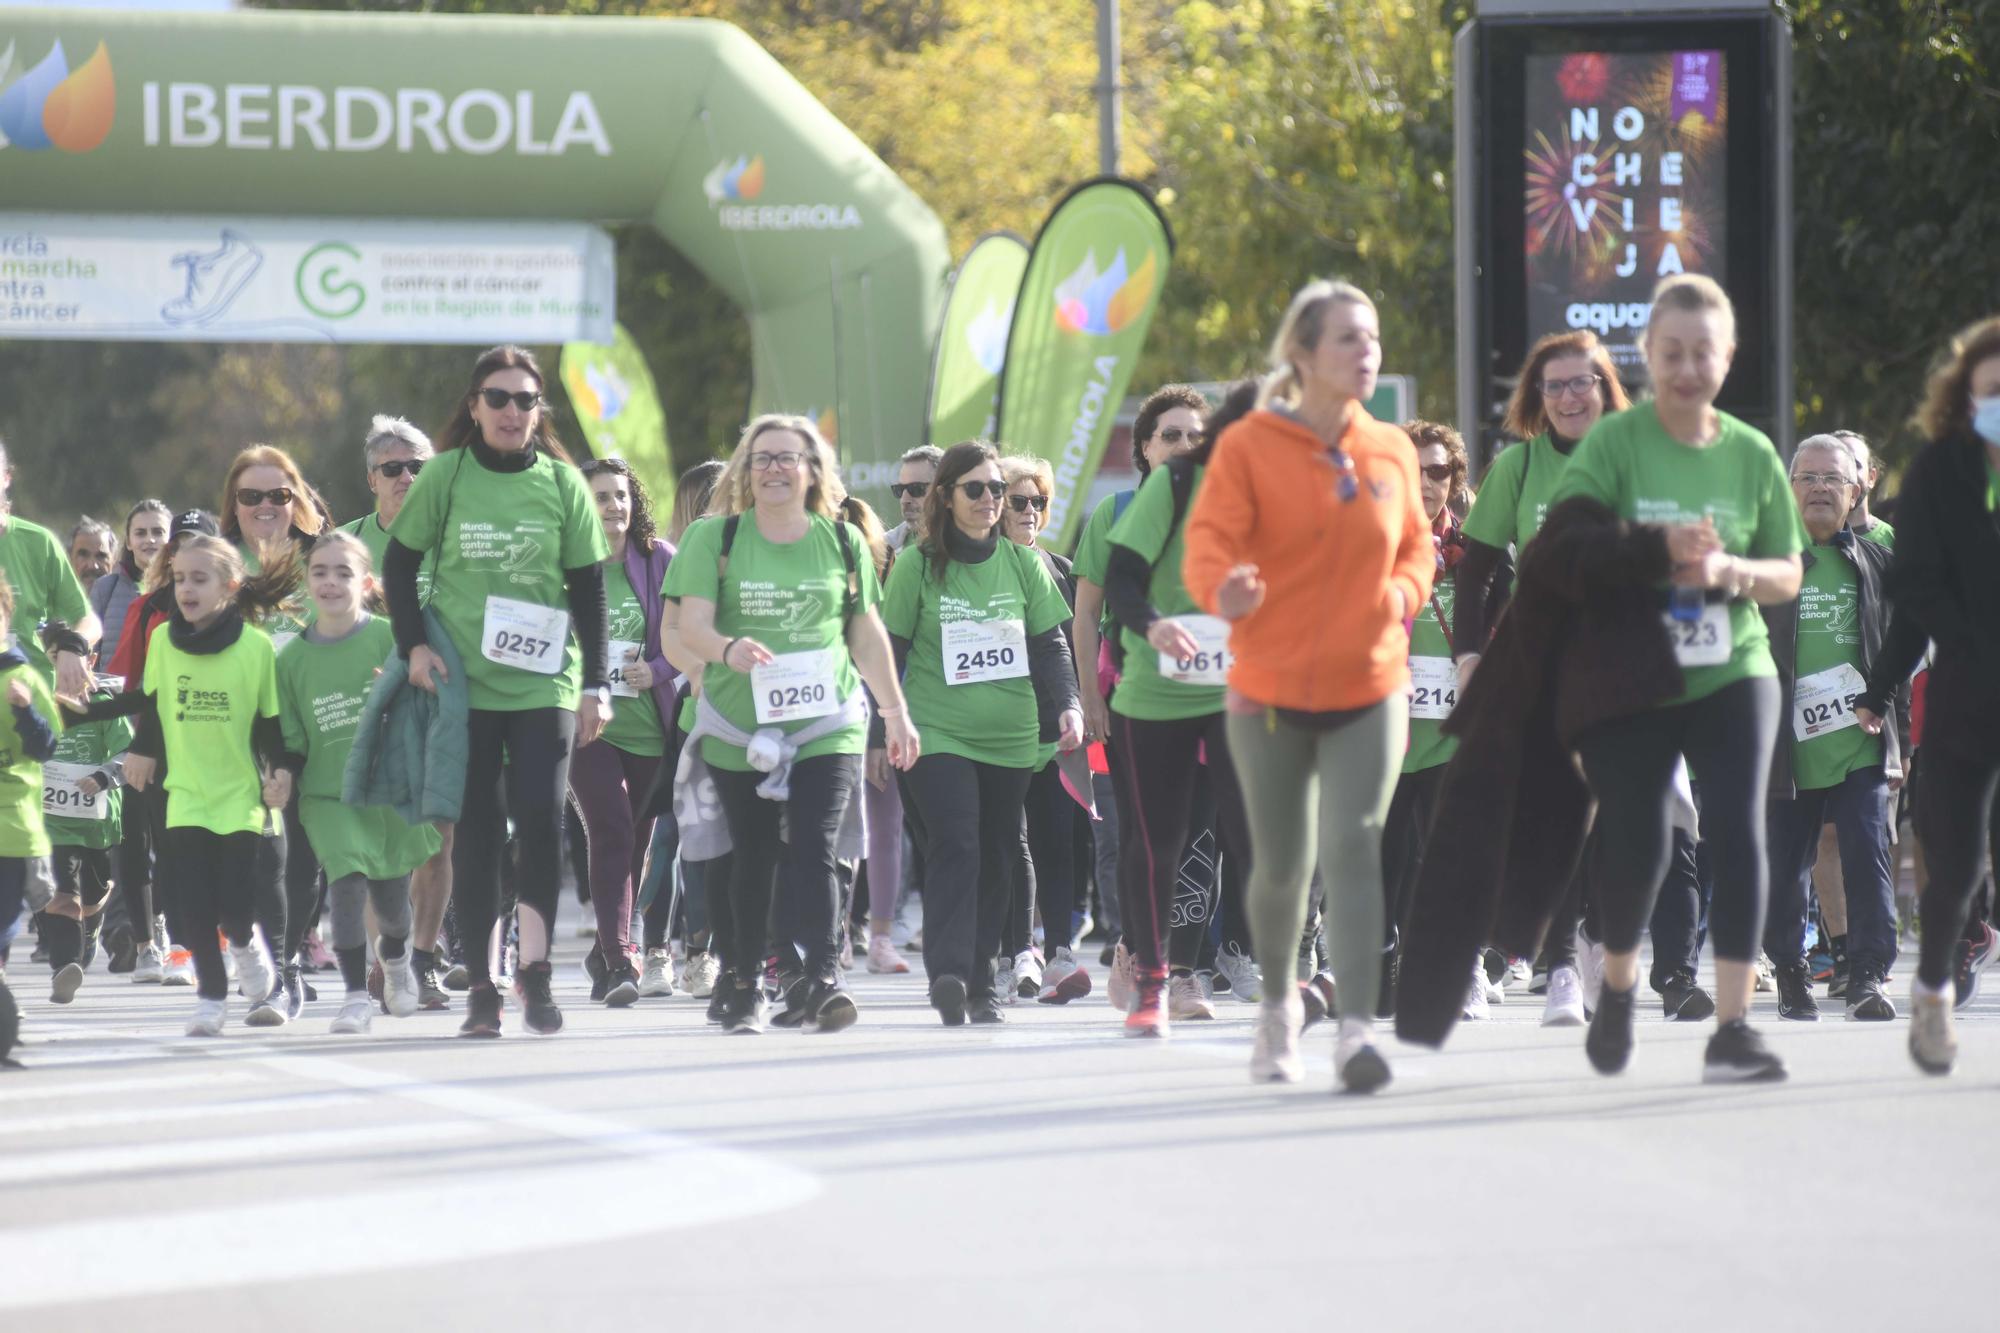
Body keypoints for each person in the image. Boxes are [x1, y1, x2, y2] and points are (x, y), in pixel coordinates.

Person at [1550, 274, 1804, 1082]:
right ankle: (1620, 987)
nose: (1688, 368)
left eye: (1704, 352)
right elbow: (1568, 544)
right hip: (1638, 667)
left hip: (1734, 662)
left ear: (1727, 357)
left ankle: (1732, 1027)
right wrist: (1651, 550)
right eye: (1672, 353)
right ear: (1648, 356)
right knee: (1638, 835)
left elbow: (1790, 573)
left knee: (1737, 826)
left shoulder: (1752, 452)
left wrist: (1731, 568)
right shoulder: (1616, 445)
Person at [1183, 279, 1432, 1091]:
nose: (1368, 354)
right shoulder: (1250, 445)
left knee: (1355, 842)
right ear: (1302, 353)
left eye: (1374, 339)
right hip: (1270, 687)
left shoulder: (1390, 447)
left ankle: (1356, 1027)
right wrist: (1227, 593)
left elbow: (1418, 548)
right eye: (1349, 341)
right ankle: (1276, 1008)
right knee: (1284, 863)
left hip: (1371, 680)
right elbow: (1207, 547)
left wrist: (1402, 595)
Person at [384, 344, 612, 1039]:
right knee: (476, 836)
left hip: (545, 685)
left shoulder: (562, 482)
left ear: (539, 411)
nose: (512, 411)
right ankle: (482, 983)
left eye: (525, 400)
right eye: (498, 399)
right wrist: (414, 647)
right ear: (474, 407)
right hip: (465, 688)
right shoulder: (447, 475)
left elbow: (589, 590)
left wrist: (598, 684)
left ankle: (535, 974)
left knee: (543, 827)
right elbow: (399, 564)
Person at [667, 415, 917, 1034]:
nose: (775, 468)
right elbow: (688, 625)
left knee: (816, 846)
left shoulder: (842, 542)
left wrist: (895, 712)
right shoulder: (713, 539)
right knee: (750, 855)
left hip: (824, 722)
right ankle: (746, 979)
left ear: (813, 471)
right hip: (737, 726)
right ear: (745, 473)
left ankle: (824, 978)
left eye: (788, 458)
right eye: (762, 458)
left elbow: (864, 632)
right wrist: (726, 651)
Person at [1455, 331, 1631, 1025]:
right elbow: (1473, 571)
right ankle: (1560, 967)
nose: (1566, 397)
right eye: (1552, 386)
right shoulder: (1518, 466)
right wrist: (1470, 657)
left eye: (1579, 383)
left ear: (1604, 389)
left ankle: (1590, 938)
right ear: (1537, 397)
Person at [884, 440, 1081, 1026]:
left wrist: (1069, 704)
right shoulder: (917, 564)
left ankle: (981, 983)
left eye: (998, 489)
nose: (992, 499)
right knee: (957, 843)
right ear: (946, 496)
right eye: (977, 488)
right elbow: (889, 650)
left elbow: (1050, 644)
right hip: (936, 732)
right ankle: (948, 972)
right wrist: (882, 730)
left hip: (1012, 737)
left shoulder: (1024, 565)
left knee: (998, 852)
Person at [1854, 315, 2000, 1074]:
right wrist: (1880, 689)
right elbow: (1913, 594)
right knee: (1957, 863)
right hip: (1969, 695)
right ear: (1966, 395)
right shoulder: (1941, 472)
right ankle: (1936, 989)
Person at [1100, 383, 1266, 1033]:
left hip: (1241, 690)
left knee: (1257, 835)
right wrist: (1152, 625)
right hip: (1158, 691)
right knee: (1157, 840)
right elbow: (1119, 578)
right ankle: (1152, 979)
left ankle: (1274, 968)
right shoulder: (1174, 483)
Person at [118, 534, 291, 1036]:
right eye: (178, 579)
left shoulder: (256, 648)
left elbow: (269, 724)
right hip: (186, 793)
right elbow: (154, 706)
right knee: (191, 902)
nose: (186, 589)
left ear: (230, 586)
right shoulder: (162, 642)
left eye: (199, 579)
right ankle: (212, 998)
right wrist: (142, 750)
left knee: (235, 905)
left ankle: (245, 945)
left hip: (238, 795)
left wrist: (279, 771)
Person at [267, 532, 439, 1034]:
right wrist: (280, 775)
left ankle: (397, 959)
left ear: (365, 583)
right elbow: (291, 739)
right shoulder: (290, 660)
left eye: (343, 572)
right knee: (344, 883)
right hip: (328, 795)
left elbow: (428, 703)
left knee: (390, 905)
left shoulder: (392, 638)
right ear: (306, 584)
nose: (330, 581)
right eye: (320, 571)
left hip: (387, 792)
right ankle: (353, 998)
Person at [1761, 435, 1902, 1023]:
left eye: (1833, 479)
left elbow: (1900, 648)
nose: (1820, 487)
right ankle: (1791, 971)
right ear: (1789, 488)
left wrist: (1900, 738)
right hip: (1782, 746)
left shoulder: (1877, 557)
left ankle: (1867, 974)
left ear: (1856, 491)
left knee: (1868, 852)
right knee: (1784, 867)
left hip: (1860, 742)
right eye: (1808, 478)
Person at [1378, 420, 1503, 1023]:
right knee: (1384, 862)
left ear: (1454, 480)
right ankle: (1379, 966)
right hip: (1384, 736)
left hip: (1454, 734)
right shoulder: (1369, 544)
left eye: (1437, 471)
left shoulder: (1478, 554)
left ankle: (1465, 970)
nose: (1425, 482)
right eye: (1412, 469)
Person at [338, 418, 453, 1008]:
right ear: (372, 480)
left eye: (418, 468)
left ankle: (424, 959)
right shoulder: (347, 547)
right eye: (393, 469)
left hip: (443, 708)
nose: (407, 477)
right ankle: (386, 961)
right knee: (378, 846)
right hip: (372, 712)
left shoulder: (457, 534)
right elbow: (327, 627)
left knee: (436, 840)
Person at [219, 444, 328, 1025]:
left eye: (278, 495)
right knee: (264, 861)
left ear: (298, 502)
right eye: (250, 496)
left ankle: (287, 966)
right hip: (241, 739)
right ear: (233, 505)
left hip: (317, 731)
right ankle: (272, 966)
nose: (265, 506)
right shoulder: (217, 566)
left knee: (306, 864)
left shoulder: (323, 562)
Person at [570, 457, 677, 1007]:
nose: (613, 507)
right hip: (588, 732)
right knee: (610, 828)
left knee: (636, 845)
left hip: (651, 730)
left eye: (620, 495)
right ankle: (620, 957)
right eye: (601, 497)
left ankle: (606, 952)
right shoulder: (567, 566)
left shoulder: (660, 561)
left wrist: (655, 670)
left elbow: (689, 639)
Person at [997, 454, 1088, 1004]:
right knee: (1013, 845)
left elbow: (1071, 649)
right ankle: (1014, 953)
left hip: (1055, 730)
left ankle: (1059, 954)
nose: (1031, 511)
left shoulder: (1060, 567)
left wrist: (1079, 707)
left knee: (1060, 843)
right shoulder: (978, 566)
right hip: (997, 732)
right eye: (1018, 501)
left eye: (1039, 502)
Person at [0, 438, 100, 701]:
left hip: (31, 705)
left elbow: (88, 620)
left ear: (6, 478)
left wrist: (73, 645)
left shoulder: (39, 542)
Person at [0, 585, 61, 977]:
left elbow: (46, 747)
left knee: (4, 917)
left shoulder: (25, 679)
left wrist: (25, 711)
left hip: (13, 826)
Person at [90, 500, 171, 670]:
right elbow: (90, 653)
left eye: (158, 532)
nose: (150, 539)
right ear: (128, 542)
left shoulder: (182, 591)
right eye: (140, 533)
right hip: (115, 695)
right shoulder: (105, 589)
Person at [1836, 430, 1894, 547]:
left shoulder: (1895, 542)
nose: (1844, 473)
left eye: (1854, 464)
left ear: (1871, 477)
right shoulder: (1800, 544)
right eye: (1835, 465)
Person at [885, 445, 942, 553]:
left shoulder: (970, 544)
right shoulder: (885, 548)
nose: (904, 499)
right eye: (900, 490)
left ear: (941, 491)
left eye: (916, 489)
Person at [67, 517, 117, 590]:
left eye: (101, 556)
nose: (92, 566)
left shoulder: (130, 600)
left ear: (114, 560)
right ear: (69, 559)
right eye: (83, 555)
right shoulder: (51, 599)